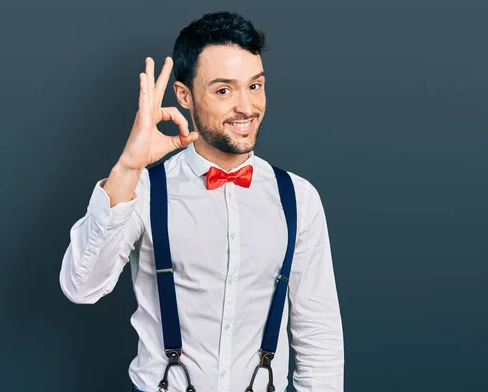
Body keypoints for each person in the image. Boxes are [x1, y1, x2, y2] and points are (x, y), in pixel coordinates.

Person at [59, 10, 344, 392]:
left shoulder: (298, 198)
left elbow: (318, 333)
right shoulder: (141, 190)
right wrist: (128, 166)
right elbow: (81, 286)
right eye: (223, 90)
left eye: (255, 86)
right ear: (184, 95)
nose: (246, 106)